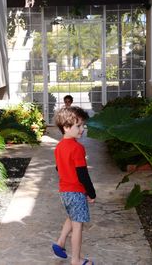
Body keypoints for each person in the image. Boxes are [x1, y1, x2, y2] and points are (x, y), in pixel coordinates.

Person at [52, 106, 96, 265]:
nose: (82, 129)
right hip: (76, 192)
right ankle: (76, 260)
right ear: (66, 127)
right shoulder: (77, 148)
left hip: (64, 192)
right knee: (78, 226)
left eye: (83, 125)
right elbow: (83, 174)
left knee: (72, 216)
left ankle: (60, 242)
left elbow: (58, 167)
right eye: (78, 126)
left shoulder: (59, 147)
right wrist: (91, 192)